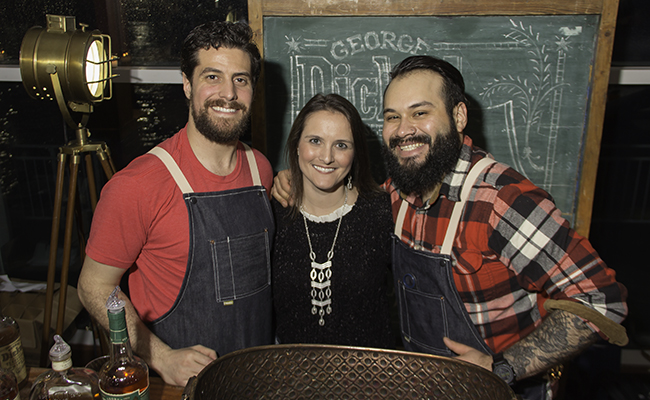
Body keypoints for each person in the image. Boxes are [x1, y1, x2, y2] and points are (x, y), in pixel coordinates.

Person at [272, 55, 628, 400]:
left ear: (459, 116)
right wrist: (292, 181)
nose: (403, 129)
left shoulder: (500, 200)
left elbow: (600, 301)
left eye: (420, 113)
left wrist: (503, 368)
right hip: (423, 386)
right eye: (392, 116)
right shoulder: (397, 194)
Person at [77, 21, 275, 387]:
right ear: (187, 84)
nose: (228, 94)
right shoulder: (137, 185)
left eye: (241, 80)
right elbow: (93, 286)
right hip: (180, 385)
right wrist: (158, 356)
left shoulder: (260, 168)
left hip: (256, 374)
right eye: (212, 77)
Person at [272, 93, 394, 348]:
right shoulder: (272, 212)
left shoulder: (383, 213)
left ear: (355, 152)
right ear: (296, 145)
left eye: (341, 145)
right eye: (315, 141)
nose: (326, 157)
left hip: (371, 377)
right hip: (291, 376)